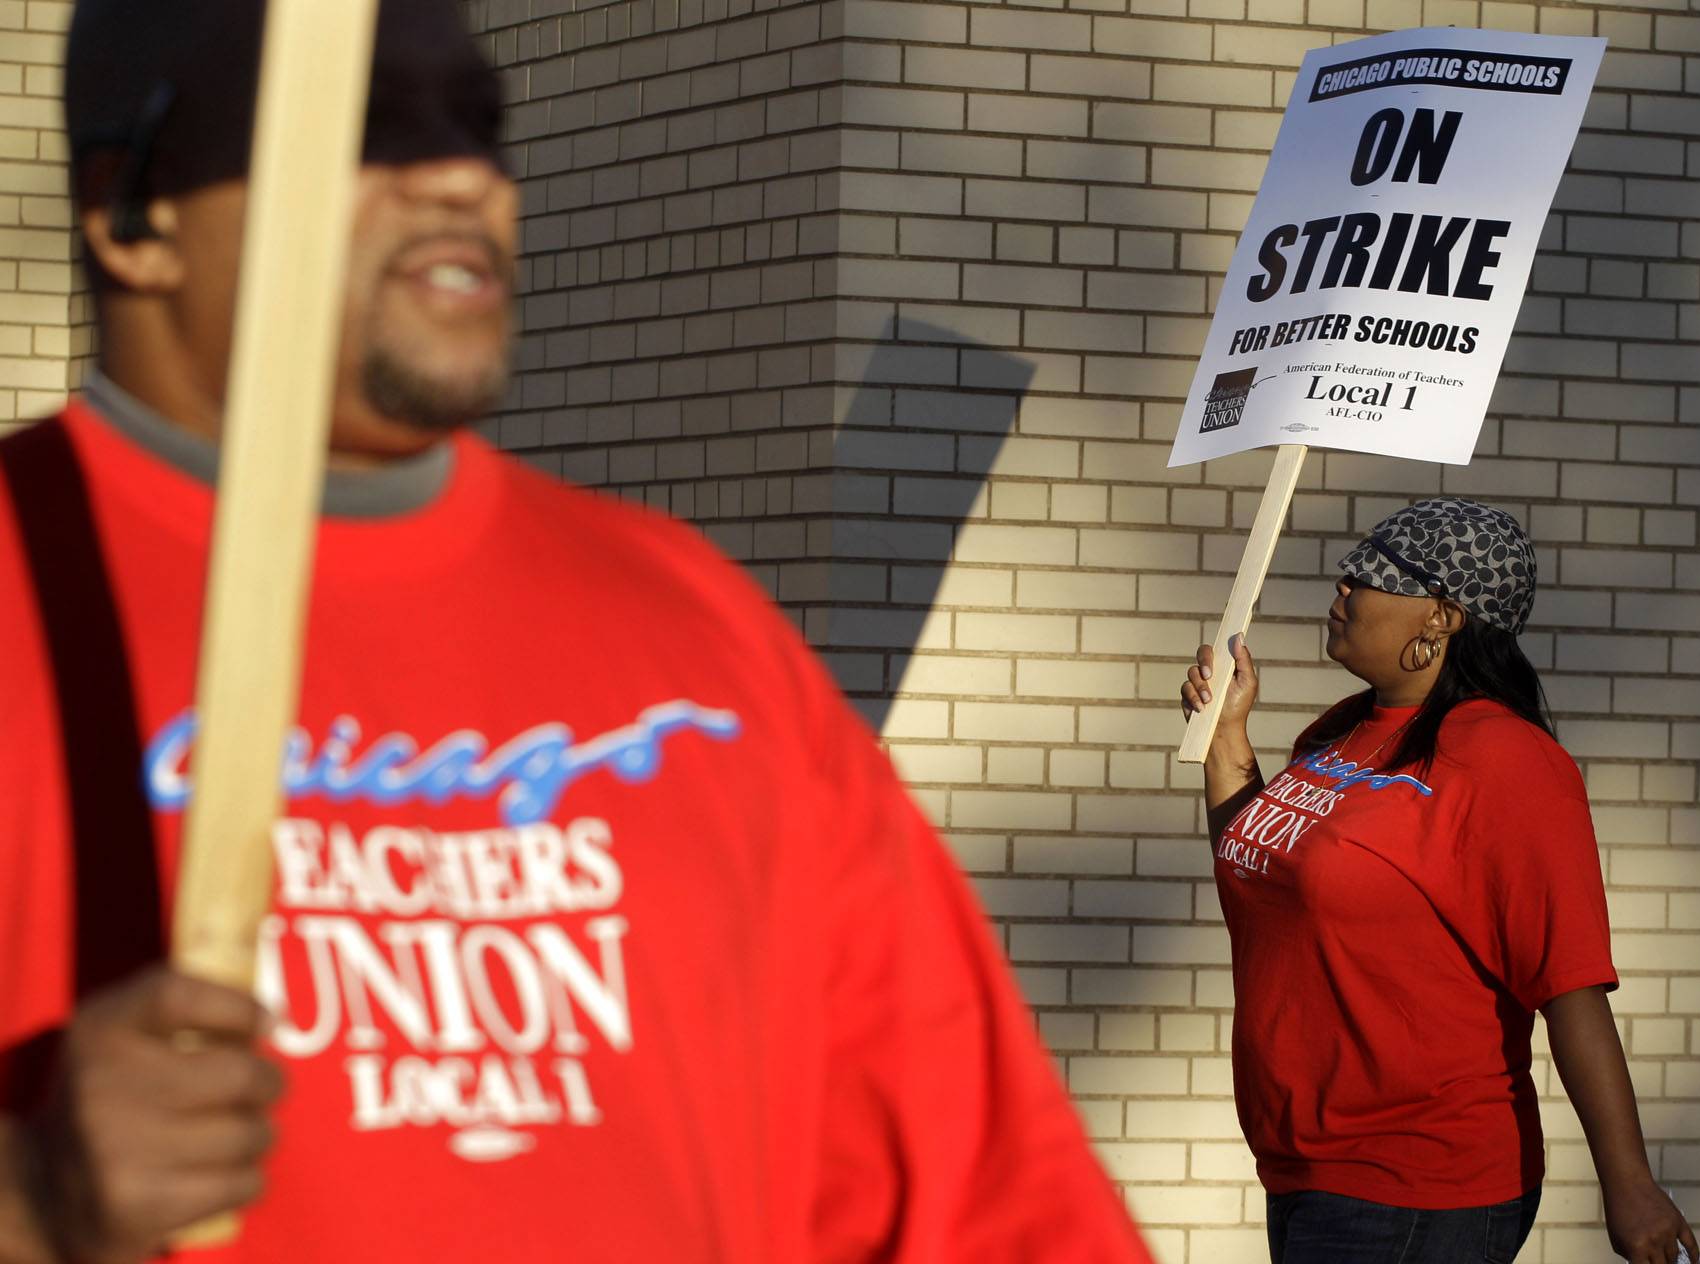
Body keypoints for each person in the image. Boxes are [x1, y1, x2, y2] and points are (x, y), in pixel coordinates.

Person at [0, 1, 1153, 1259]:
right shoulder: (26, 579)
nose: (461, 177)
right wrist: (28, 1200)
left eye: (480, 127)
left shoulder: (693, 626)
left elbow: (986, 1191)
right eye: (367, 124)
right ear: (135, 211)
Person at [1179, 497, 1700, 1264]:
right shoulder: (1336, 732)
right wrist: (1228, 739)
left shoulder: (1508, 762)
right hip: (1304, 1167)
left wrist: (1629, 1185)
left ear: (1443, 618)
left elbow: (1571, 985)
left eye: (1370, 577)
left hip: (1418, 1186)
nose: (1344, 588)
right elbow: (1259, 883)